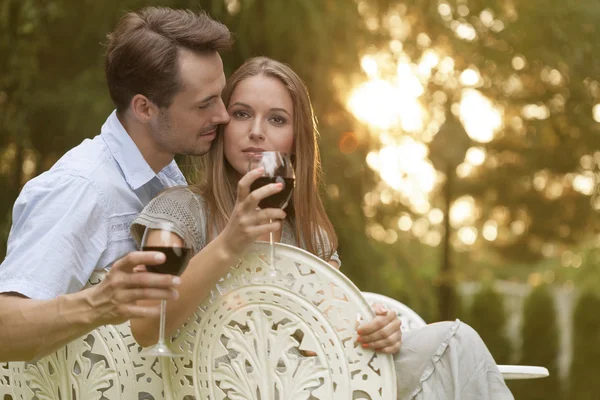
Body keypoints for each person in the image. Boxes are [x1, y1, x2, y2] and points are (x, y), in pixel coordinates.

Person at [130, 57, 514, 400]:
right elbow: (147, 326)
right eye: (243, 114)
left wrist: (378, 330)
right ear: (222, 125)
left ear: (296, 142)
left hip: (312, 385)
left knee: (454, 343)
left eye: (277, 119)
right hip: (214, 387)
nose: (257, 131)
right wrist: (230, 241)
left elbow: (335, 332)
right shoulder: (177, 211)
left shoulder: (311, 235)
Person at [0, 6, 234, 362]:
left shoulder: (167, 176)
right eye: (205, 104)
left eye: (221, 95)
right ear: (144, 108)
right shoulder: (81, 188)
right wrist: (98, 303)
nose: (223, 115)